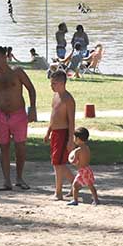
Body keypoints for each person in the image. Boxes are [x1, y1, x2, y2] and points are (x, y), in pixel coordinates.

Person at [0, 46, 37, 191]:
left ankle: (19, 178)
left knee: (20, 147)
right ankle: (7, 181)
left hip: (18, 114)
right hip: (0, 115)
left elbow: (31, 89)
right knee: (3, 149)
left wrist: (32, 109)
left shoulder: (17, 72)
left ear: (5, 57)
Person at [44, 70, 75, 200]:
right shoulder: (55, 96)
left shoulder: (68, 99)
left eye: (54, 83)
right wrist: (48, 132)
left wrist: (70, 140)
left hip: (63, 133)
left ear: (62, 83)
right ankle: (75, 184)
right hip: (55, 133)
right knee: (59, 163)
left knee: (58, 163)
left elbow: (71, 121)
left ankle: (58, 192)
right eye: (51, 83)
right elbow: (53, 116)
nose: (52, 86)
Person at [67, 127, 100, 206]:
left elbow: (74, 161)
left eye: (74, 138)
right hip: (86, 169)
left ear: (78, 138)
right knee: (76, 184)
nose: (74, 139)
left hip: (83, 171)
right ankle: (75, 200)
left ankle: (96, 199)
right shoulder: (87, 148)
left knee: (90, 185)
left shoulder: (78, 150)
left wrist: (70, 159)